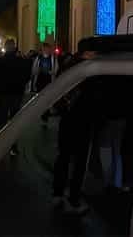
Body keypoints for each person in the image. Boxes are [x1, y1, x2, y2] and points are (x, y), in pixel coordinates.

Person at [52, 51, 97, 214]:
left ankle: (57, 194)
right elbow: (94, 97)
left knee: (63, 157)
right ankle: (73, 199)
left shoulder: (67, 67)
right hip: (83, 121)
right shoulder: (91, 70)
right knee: (79, 163)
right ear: (89, 52)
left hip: (67, 120)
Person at [0, 39, 31, 155]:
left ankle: (0, 146)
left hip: (3, 94)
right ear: (14, 47)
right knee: (15, 121)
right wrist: (21, 86)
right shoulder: (21, 61)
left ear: (5, 47)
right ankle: (13, 146)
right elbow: (27, 76)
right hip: (16, 94)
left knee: (2, 120)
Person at [31, 42, 59, 125]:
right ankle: (43, 113)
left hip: (48, 80)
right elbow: (34, 69)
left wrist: (51, 72)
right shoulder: (38, 58)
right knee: (41, 98)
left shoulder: (53, 59)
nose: (45, 50)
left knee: (47, 99)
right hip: (40, 80)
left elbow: (56, 69)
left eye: (47, 49)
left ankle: (45, 115)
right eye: (44, 49)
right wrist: (37, 71)